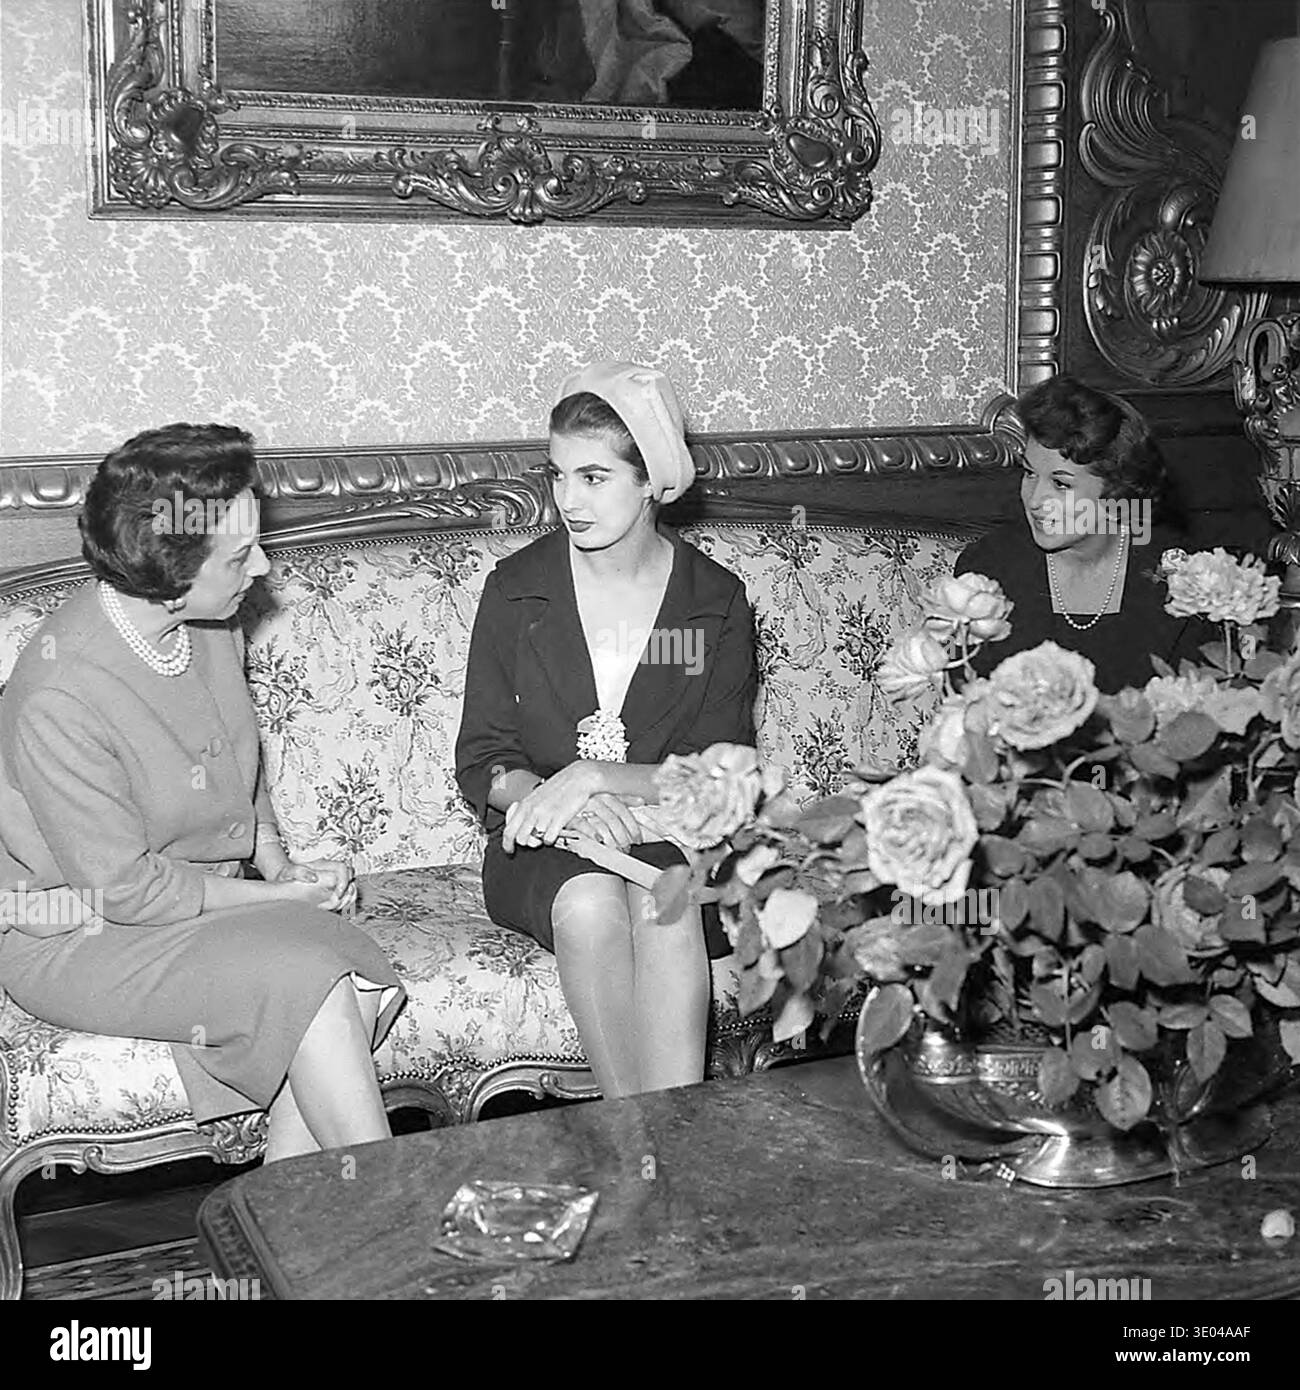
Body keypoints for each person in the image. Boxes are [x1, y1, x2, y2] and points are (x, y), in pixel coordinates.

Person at [0, 425, 405, 1162]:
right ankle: (387, 1207)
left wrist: (278, 864)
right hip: (75, 933)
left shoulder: (207, 622)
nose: (264, 566)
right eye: (241, 553)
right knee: (316, 979)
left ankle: (295, 1230)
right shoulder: (60, 693)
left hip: (186, 904)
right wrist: (277, 902)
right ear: (170, 568)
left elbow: (235, 764)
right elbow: (124, 891)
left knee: (350, 979)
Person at [455, 362, 757, 1098]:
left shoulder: (712, 602)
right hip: (541, 841)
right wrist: (560, 800)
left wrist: (592, 776)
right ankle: (652, 1147)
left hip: (671, 833)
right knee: (589, 903)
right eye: (557, 475)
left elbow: (720, 773)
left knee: (667, 889)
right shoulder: (517, 589)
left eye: (594, 477)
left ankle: (654, 1156)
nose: (567, 500)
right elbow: (483, 757)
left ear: (651, 479)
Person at [954, 375, 1212, 693]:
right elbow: (969, 707)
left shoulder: (1176, 572)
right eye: (1029, 473)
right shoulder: (989, 569)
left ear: (1116, 490)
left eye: (1061, 484)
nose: (1035, 500)